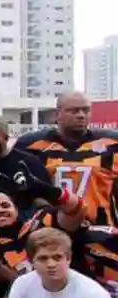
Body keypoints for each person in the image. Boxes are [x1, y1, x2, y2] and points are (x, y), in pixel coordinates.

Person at [13, 92, 118, 226]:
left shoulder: (112, 143)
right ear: (57, 114)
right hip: (50, 229)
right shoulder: (29, 144)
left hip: (100, 228)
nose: (81, 115)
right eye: (73, 111)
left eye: (86, 110)